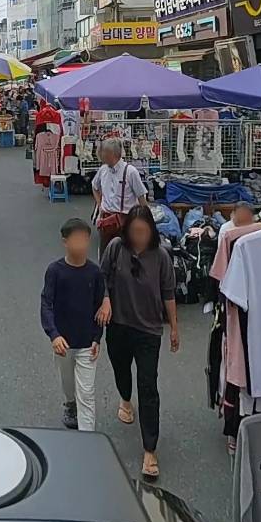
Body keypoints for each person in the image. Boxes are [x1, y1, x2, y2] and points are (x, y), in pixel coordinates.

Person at [101, 206, 179, 482]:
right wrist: (106, 300)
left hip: (148, 331)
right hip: (119, 325)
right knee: (121, 370)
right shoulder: (115, 248)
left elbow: (168, 292)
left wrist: (174, 328)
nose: (139, 237)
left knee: (148, 386)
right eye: (135, 232)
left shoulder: (160, 257)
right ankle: (124, 398)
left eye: (144, 232)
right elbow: (103, 279)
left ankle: (150, 449)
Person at [40, 218, 108, 432]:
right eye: (76, 240)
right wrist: (54, 334)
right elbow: (46, 304)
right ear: (65, 242)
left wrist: (98, 337)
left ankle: (86, 440)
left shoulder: (95, 273)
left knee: (86, 393)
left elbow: (100, 309)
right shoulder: (55, 271)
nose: (81, 245)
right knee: (68, 384)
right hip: (64, 344)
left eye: (85, 240)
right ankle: (70, 404)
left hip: (88, 344)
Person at [91, 140, 148, 258]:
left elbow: (141, 197)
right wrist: (100, 205)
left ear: (112, 154)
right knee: (105, 256)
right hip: (106, 220)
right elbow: (94, 186)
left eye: (103, 152)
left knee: (126, 258)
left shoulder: (130, 171)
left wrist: (147, 222)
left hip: (126, 221)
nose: (100, 155)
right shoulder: (103, 170)